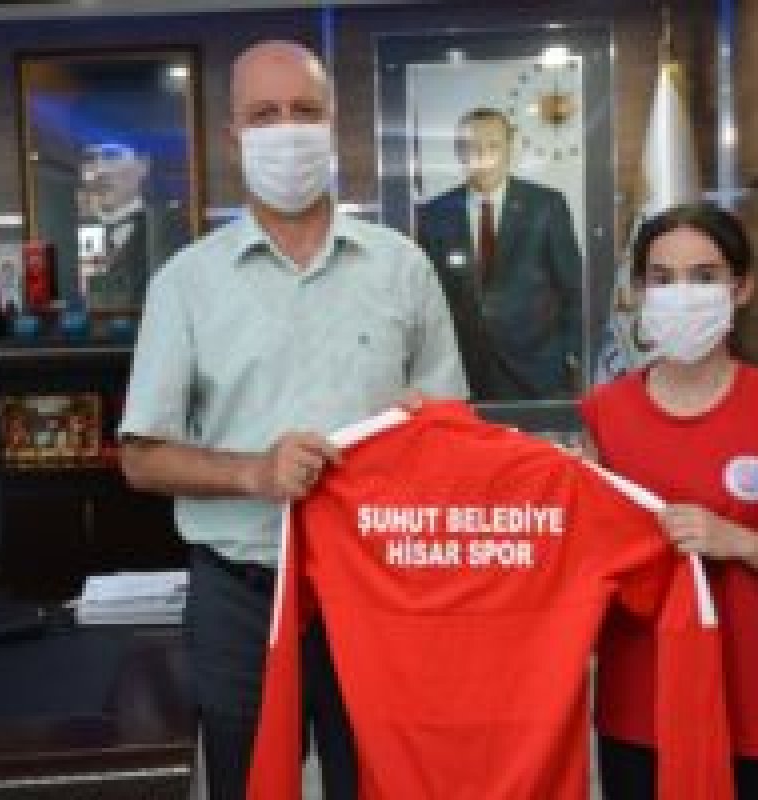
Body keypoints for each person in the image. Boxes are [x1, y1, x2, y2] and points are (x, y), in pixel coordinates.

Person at [117, 40, 468, 800]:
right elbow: (141, 457)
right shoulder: (186, 283)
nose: (288, 132)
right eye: (264, 115)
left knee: (377, 783)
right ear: (233, 139)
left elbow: (453, 428)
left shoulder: (402, 267)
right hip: (240, 597)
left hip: (377, 589)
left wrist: (425, 435)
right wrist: (253, 472)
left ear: (334, 126)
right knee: (247, 785)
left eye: (305, 112)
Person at [577, 203, 758, 800]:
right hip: (639, 703)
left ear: (741, 289)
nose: (682, 295)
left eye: (703, 276)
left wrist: (737, 540)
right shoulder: (605, 414)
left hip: (750, 705)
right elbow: (585, 563)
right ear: (639, 292)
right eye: (662, 278)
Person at [416, 107, 586, 401]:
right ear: (458, 152)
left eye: (493, 145)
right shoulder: (435, 213)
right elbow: (428, 298)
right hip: (463, 374)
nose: (483, 155)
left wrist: (572, 355)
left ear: (511, 148)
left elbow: (574, 288)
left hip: (538, 372)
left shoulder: (547, 206)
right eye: (472, 146)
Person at [76, 137, 183, 310]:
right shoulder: (85, 233)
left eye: (112, 156)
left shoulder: (166, 227)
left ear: (143, 165)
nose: (99, 172)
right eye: (90, 159)